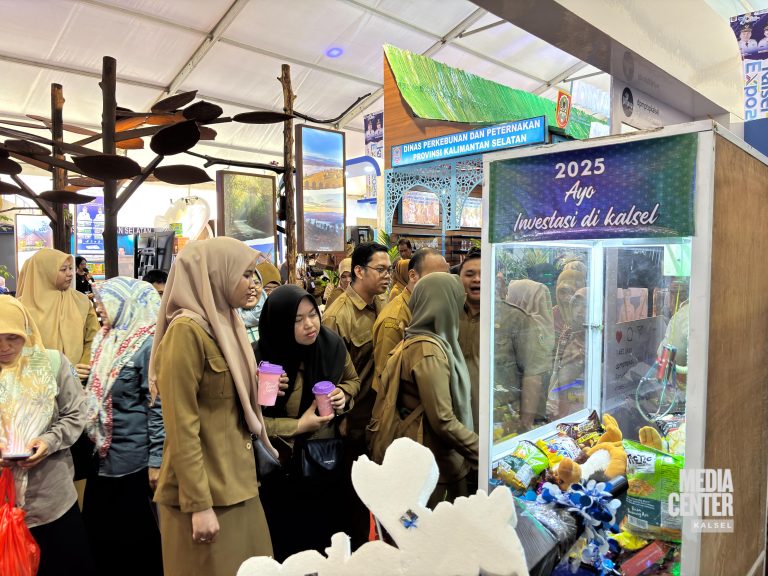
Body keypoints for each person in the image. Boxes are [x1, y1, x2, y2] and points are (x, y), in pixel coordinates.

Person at [150, 237, 274, 576]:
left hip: (239, 483)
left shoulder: (226, 324)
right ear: (217, 274)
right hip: (206, 495)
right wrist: (199, 504)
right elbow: (181, 426)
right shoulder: (186, 332)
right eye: (245, 274)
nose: (253, 283)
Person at [255, 285, 360, 561]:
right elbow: (249, 422)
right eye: (297, 319)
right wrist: (298, 426)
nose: (310, 325)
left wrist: (344, 395)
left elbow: (353, 380)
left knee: (325, 541)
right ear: (279, 323)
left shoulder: (331, 346)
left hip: (322, 465)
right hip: (278, 470)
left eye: (313, 314)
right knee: (288, 546)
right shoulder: (258, 360)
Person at [0, 296, 95, 576]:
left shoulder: (51, 363)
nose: (4, 347)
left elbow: (76, 412)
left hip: (51, 497)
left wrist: (48, 441)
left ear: (26, 330)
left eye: (12, 337)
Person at [82, 278, 164, 575]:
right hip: (100, 459)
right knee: (100, 543)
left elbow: (158, 408)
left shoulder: (148, 345)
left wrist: (156, 461)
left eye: (104, 301)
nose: (98, 308)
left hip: (133, 464)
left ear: (126, 303)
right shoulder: (106, 339)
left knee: (134, 547)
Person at [378, 273, 478, 507]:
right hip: (435, 466)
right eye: (457, 301)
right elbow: (443, 420)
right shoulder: (428, 351)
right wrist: (482, 452)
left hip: (427, 460)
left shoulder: (419, 338)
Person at [322, 241, 389, 548]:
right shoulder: (338, 316)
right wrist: (341, 419)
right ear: (359, 272)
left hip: (379, 414)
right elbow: (329, 379)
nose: (387, 275)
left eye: (389, 269)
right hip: (353, 420)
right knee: (355, 499)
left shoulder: (383, 303)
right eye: (380, 269)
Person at [17, 249, 100, 383]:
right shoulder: (20, 307)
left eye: (70, 268)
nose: (70, 273)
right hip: (36, 384)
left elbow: (94, 338)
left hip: (76, 384)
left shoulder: (81, 301)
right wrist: (56, 371)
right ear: (44, 272)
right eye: (63, 269)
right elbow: (16, 349)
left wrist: (82, 366)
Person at [372, 249, 448, 394]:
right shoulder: (394, 320)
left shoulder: (429, 307)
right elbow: (386, 378)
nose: (442, 285)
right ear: (412, 275)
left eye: (445, 278)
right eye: (434, 278)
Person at [550, 288, 588, 420]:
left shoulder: (601, 340)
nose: (579, 311)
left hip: (585, 408)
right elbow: (557, 371)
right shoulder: (567, 334)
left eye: (586, 306)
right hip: (563, 406)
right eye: (576, 304)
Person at [457, 251, 481, 429]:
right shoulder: (446, 315)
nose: (477, 279)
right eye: (470, 274)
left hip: (493, 417)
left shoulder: (511, 318)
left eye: (482, 274)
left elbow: (531, 373)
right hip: (453, 417)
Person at [553, 268, 586, 338]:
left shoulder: (587, 313)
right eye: (562, 292)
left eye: (572, 292)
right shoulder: (553, 314)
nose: (567, 298)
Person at [237, 267, 265, 344]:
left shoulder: (272, 313)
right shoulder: (227, 319)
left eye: (256, 283)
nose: (251, 287)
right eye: (244, 284)